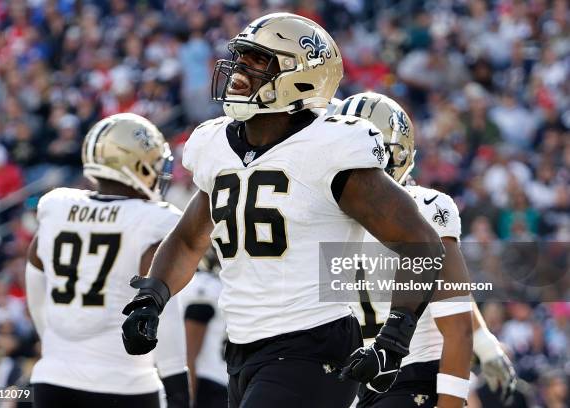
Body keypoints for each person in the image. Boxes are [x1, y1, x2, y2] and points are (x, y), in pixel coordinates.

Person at [121, 13, 445, 408]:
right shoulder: (217, 145)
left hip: (314, 344)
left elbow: (422, 244)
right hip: (242, 348)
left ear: (301, 75)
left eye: (258, 61)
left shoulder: (329, 147)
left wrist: (393, 341)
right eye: (241, 58)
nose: (240, 71)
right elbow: (190, 239)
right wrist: (152, 297)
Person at [336, 92, 516, 408]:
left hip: (413, 377)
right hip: (362, 384)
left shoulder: (425, 208)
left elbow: (453, 312)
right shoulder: (327, 218)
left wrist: (485, 346)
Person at [25, 113, 189, 408]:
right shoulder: (154, 220)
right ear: (136, 164)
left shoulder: (57, 206)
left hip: (54, 379)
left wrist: (53, 344)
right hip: (123, 383)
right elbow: (166, 314)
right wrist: (178, 389)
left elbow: (36, 284)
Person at [180, 249, 228, 408]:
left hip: (227, 383)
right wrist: (189, 400)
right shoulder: (206, 287)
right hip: (208, 385)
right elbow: (189, 354)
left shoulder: (223, 286)